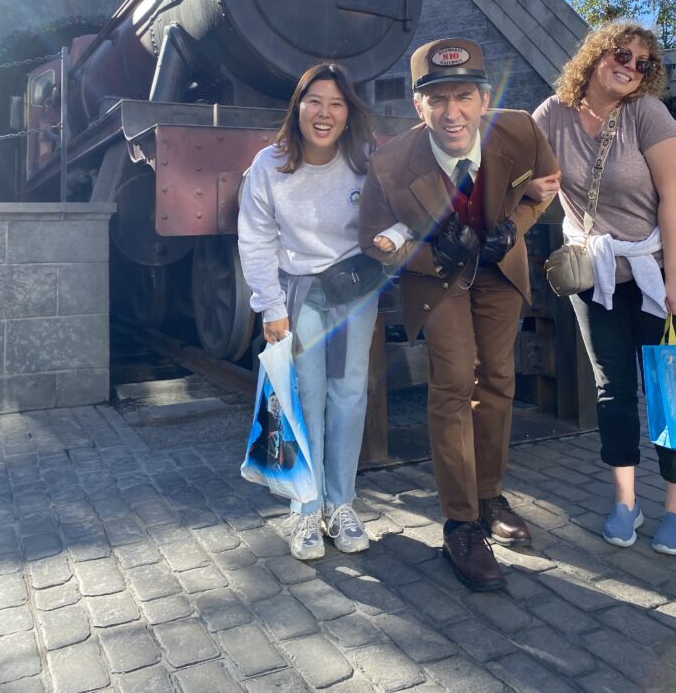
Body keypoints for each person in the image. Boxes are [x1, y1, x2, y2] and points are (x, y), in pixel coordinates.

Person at [359, 37, 559, 592]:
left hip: (498, 272)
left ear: (484, 98)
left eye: (464, 96)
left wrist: (513, 227)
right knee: (451, 383)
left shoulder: (519, 130)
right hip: (437, 280)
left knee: (498, 379)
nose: (453, 112)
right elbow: (373, 240)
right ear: (418, 105)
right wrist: (430, 254)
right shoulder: (391, 162)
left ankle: (489, 494)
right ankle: (460, 525)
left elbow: (544, 188)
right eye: (438, 99)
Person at [531, 21, 676, 556]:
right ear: (595, 55)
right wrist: (532, 187)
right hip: (597, 274)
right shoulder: (552, 114)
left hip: (657, 271)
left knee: (670, 388)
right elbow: (518, 170)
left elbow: (673, 200)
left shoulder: (648, 115)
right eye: (622, 54)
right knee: (613, 390)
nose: (631, 67)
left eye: (643, 63)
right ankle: (626, 501)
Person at [238, 63, 380, 561]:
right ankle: (306, 506)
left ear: (349, 113)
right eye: (315, 101)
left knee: (349, 395)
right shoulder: (269, 165)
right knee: (305, 396)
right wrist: (269, 306)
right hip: (296, 291)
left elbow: (397, 211)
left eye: (336, 104)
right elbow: (256, 238)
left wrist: (395, 237)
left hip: (354, 289)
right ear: (297, 107)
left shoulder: (365, 159)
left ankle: (341, 504)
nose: (325, 113)